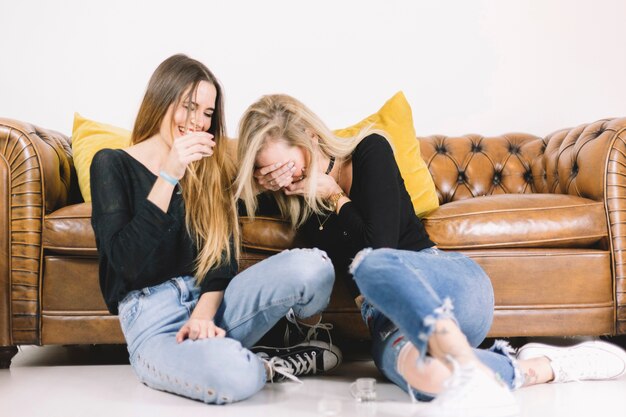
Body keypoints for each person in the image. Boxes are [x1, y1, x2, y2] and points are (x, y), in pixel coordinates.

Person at [234, 94, 626, 416]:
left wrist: (334, 197)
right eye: (269, 173)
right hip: (385, 315)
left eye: (286, 166)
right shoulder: (291, 197)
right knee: (419, 376)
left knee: (371, 264)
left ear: (310, 138)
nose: (283, 180)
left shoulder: (370, 151)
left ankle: (476, 356)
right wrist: (260, 184)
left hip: (445, 280)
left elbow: (381, 248)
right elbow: (232, 208)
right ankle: (540, 367)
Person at [89, 55, 341, 405]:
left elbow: (221, 258)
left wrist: (202, 317)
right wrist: (169, 174)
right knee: (232, 377)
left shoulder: (208, 170)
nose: (197, 121)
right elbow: (125, 263)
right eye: (189, 106)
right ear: (161, 98)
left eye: (207, 113)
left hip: (213, 307)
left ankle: (269, 339)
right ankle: (267, 364)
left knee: (314, 266)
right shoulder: (111, 163)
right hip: (153, 322)